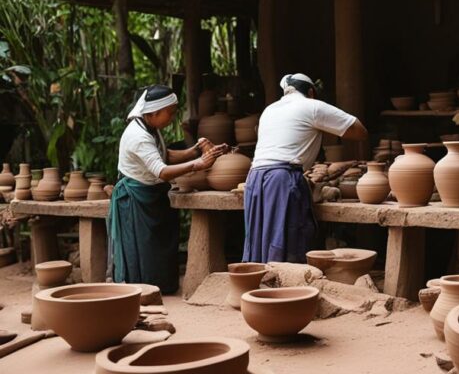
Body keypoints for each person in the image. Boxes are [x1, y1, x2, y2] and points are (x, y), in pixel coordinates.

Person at [110, 85, 226, 294]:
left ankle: (159, 287)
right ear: (153, 112)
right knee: (143, 249)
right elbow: (161, 171)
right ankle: (140, 291)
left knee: (157, 248)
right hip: (136, 197)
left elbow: (164, 155)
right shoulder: (138, 135)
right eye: (169, 113)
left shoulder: (149, 127)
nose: (172, 117)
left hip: (151, 195)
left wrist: (195, 151)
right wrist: (198, 164)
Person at [243, 73, 368, 263]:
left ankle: (259, 289)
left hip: (255, 179)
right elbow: (360, 131)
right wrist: (323, 126)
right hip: (281, 179)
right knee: (285, 243)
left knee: (261, 242)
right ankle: (286, 290)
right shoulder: (312, 106)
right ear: (310, 92)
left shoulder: (269, 110)